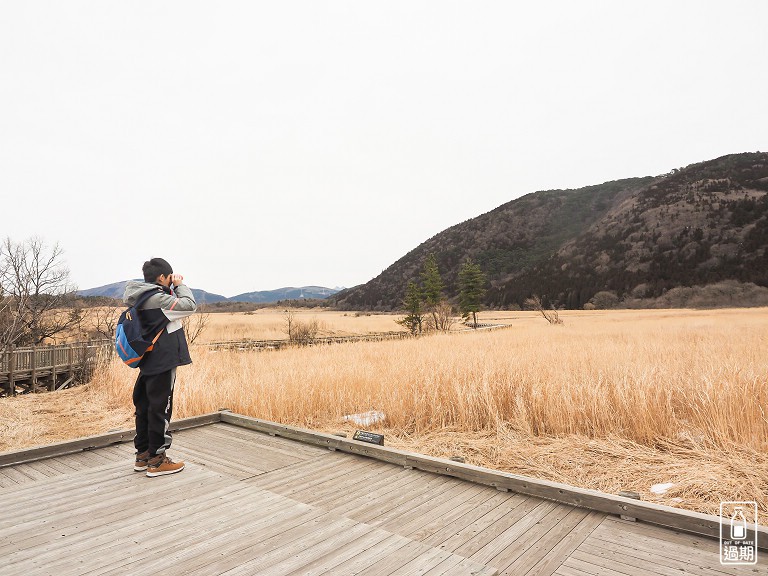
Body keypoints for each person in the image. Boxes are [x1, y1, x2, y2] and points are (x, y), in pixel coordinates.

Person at [123, 257, 197, 477]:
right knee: (161, 408)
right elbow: (189, 306)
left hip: (147, 361)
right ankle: (157, 460)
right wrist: (180, 285)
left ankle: (143, 455)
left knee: (145, 407)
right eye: (170, 277)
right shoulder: (158, 299)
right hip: (163, 361)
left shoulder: (140, 297)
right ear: (163, 277)